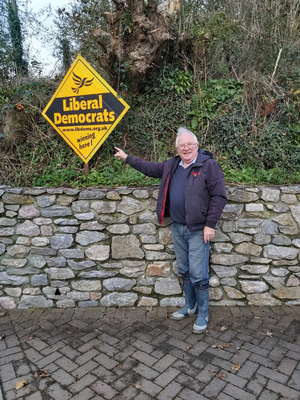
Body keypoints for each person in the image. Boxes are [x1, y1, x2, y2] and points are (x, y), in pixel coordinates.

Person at [114, 127, 227, 333]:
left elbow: (219, 196)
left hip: (198, 229)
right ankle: (190, 306)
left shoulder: (209, 166)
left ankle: (203, 313)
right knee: (184, 269)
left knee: (198, 272)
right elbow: (148, 168)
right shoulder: (172, 165)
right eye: (181, 145)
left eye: (189, 145)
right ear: (177, 148)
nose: (186, 148)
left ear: (197, 146)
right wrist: (127, 158)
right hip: (177, 227)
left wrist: (210, 225)